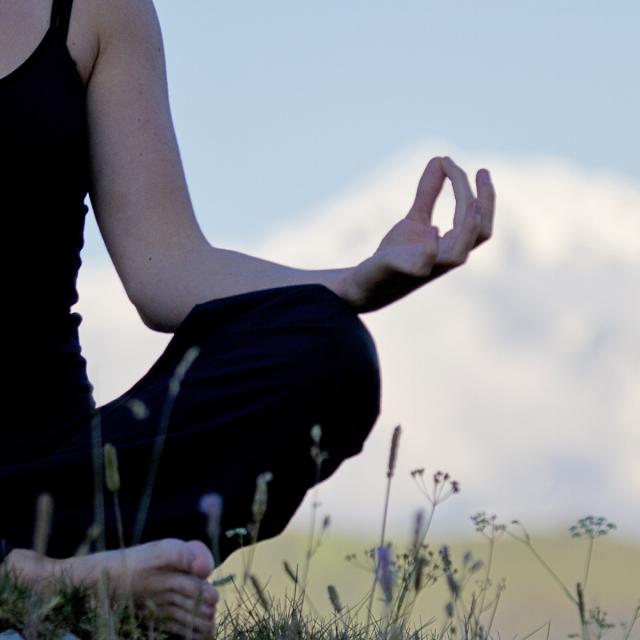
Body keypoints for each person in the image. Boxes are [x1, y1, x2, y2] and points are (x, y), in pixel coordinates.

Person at [0, 0, 495, 637]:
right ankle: (38, 582)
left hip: (44, 478)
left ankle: (56, 557)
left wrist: (351, 283)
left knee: (326, 348)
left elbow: (168, 269)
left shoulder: (101, 11)